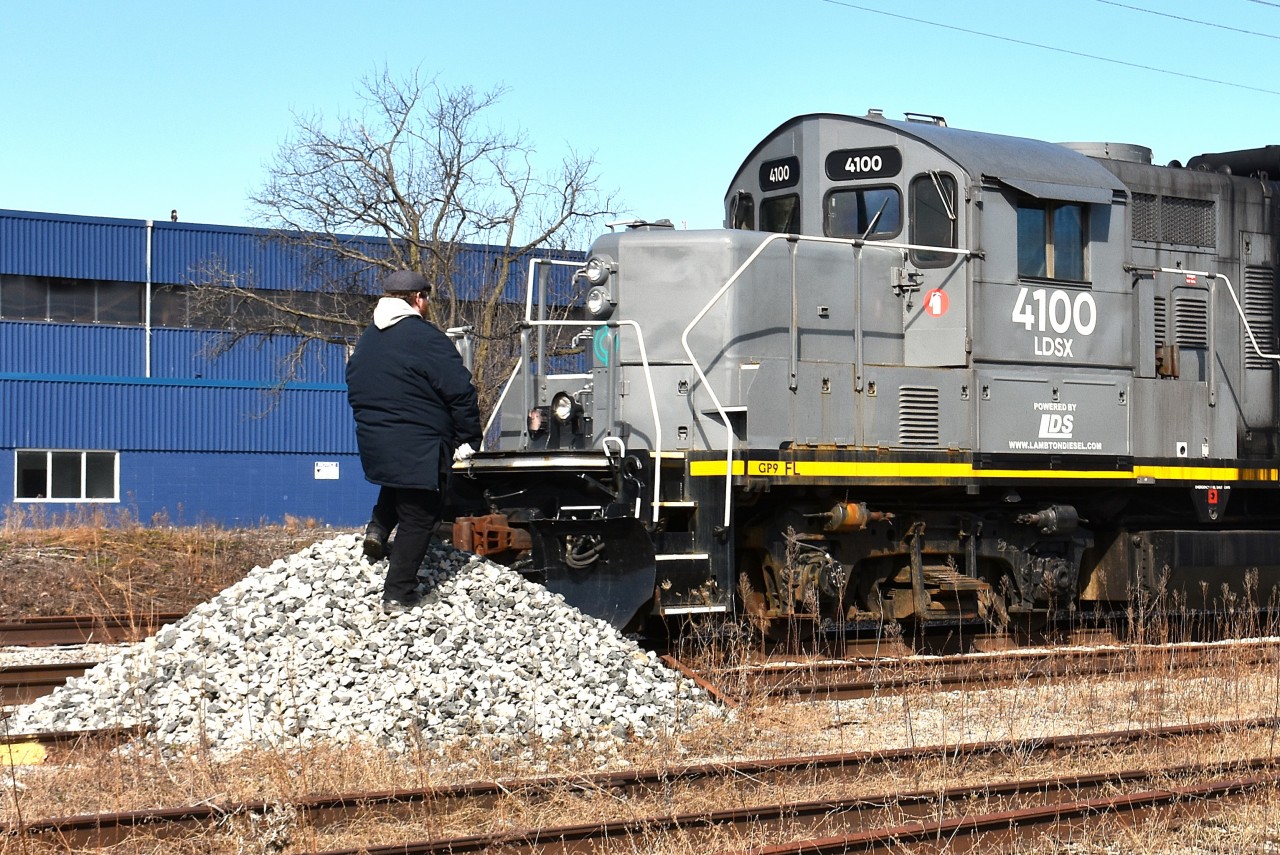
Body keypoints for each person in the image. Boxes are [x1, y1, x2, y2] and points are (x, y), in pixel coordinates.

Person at [346, 269, 483, 612]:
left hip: (376, 439)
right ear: (418, 299)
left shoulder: (369, 338)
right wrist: (469, 437)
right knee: (420, 515)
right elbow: (460, 390)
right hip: (420, 440)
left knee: (402, 481)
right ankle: (399, 593)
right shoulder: (425, 337)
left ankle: (377, 529)